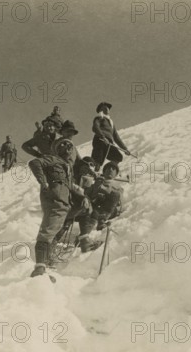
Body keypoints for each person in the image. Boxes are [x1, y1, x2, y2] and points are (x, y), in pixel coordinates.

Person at [28, 138, 91, 279]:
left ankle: (84, 239)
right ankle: (39, 268)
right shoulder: (52, 159)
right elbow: (34, 163)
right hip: (55, 202)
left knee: (86, 208)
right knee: (47, 231)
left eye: (69, 144)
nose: (67, 146)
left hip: (65, 205)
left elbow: (69, 187)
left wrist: (83, 197)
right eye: (62, 144)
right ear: (56, 150)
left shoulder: (67, 167)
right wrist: (43, 182)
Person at [91, 102, 132, 171]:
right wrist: (102, 137)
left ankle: (109, 171)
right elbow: (95, 127)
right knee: (98, 158)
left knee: (118, 157)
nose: (107, 109)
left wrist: (125, 149)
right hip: (100, 140)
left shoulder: (111, 122)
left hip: (109, 143)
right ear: (100, 110)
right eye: (104, 108)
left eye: (108, 108)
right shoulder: (99, 117)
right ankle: (94, 172)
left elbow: (116, 137)